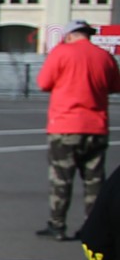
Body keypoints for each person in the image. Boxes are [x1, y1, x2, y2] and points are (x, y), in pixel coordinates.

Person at [36, 19, 120, 241]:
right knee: (94, 181)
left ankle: (57, 225)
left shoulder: (62, 53)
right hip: (97, 126)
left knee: (61, 178)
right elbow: (115, 85)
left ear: (69, 35)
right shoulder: (104, 57)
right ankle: (93, 227)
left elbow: (44, 83)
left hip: (65, 125)